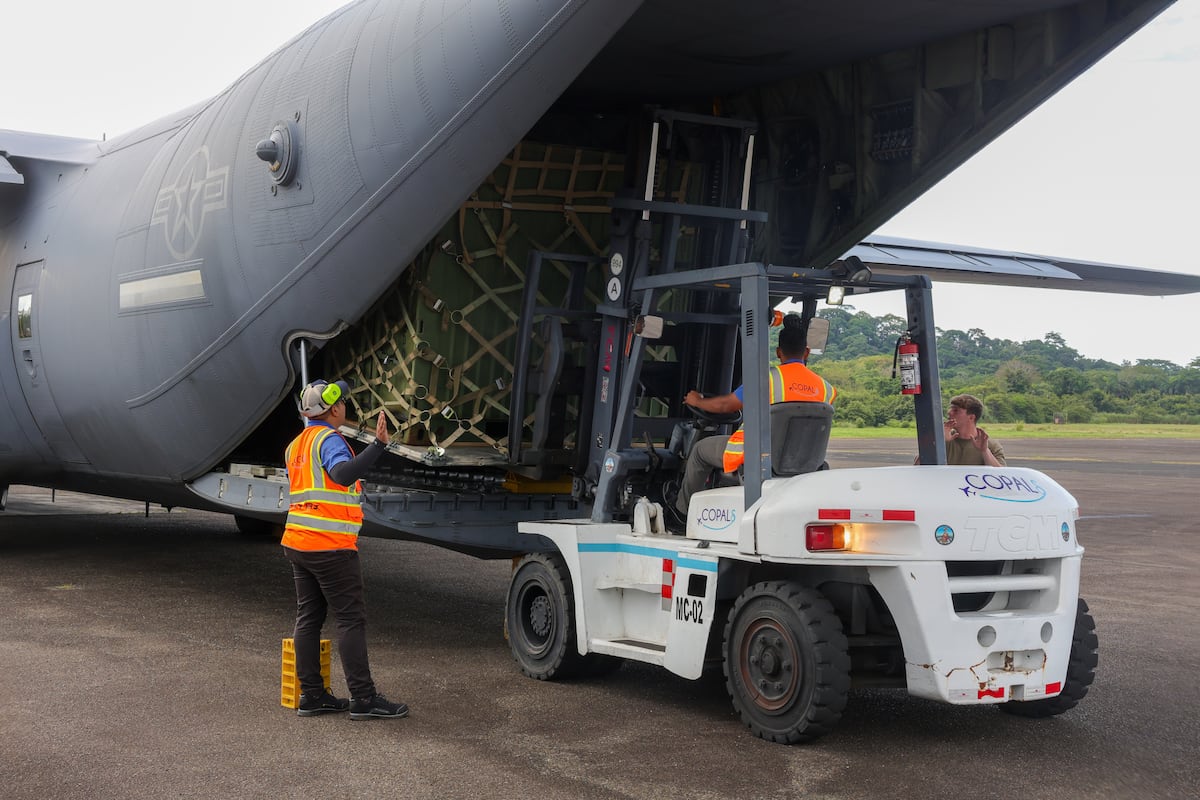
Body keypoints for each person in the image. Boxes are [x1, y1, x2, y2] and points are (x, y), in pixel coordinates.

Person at [282, 378, 408, 720]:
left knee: (308, 618)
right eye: (342, 403)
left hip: (298, 541)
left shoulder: (295, 445)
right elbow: (340, 474)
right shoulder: (330, 440)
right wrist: (378, 446)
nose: (345, 407)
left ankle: (312, 695)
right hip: (330, 546)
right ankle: (364, 699)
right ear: (334, 408)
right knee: (351, 619)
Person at [673, 314, 837, 524]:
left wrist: (697, 401)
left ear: (778, 353)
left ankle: (682, 514)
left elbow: (725, 405)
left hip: (754, 455)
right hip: (804, 462)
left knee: (699, 451)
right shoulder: (826, 389)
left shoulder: (766, 379)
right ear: (806, 352)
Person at [940, 393, 1006, 466]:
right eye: (950, 409)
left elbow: (1000, 474)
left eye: (955, 410)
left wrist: (985, 451)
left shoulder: (991, 445)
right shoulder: (941, 439)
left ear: (971, 417)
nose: (949, 412)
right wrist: (940, 441)